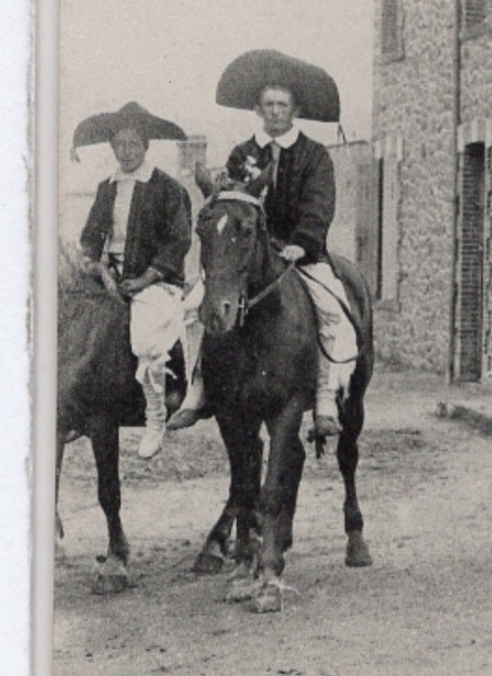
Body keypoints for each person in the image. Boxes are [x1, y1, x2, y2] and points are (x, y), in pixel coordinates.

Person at [218, 81, 356, 440]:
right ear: (258, 110)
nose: (275, 111)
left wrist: (303, 243)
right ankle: (201, 385)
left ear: (295, 111)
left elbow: (320, 204)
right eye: (268, 104)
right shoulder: (240, 153)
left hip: (299, 255)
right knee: (202, 303)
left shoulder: (314, 155)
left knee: (331, 310)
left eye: (283, 104)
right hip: (251, 256)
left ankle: (325, 398)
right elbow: (232, 205)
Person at [76, 103, 194, 459]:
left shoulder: (166, 188)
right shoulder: (106, 188)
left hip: (154, 280)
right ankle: (74, 404)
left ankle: (155, 418)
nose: (126, 151)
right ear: (112, 147)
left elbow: (178, 241)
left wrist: (144, 278)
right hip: (110, 276)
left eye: (132, 144)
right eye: (119, 144)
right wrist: (94, 264)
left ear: (145, 146)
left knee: (146, 340)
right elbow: (92, 235)